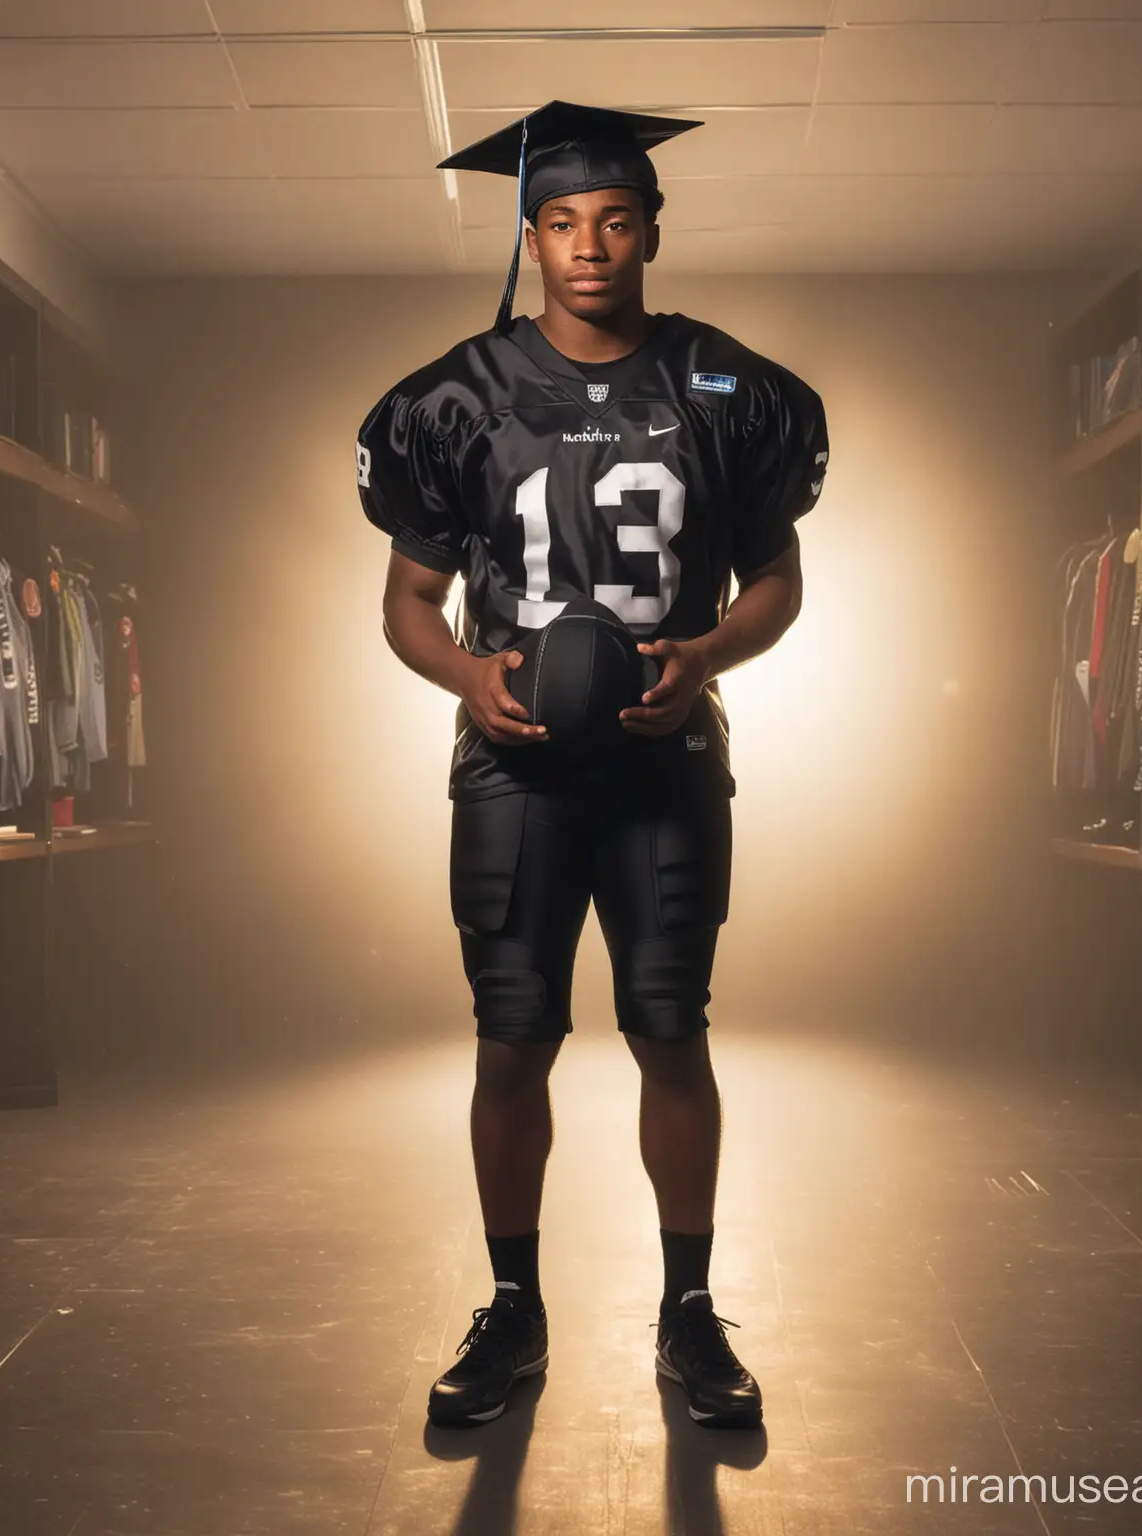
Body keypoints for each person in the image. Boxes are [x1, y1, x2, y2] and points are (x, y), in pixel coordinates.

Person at [356, 101, 829, 1431]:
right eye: (561, 222)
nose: (588, 246)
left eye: (614, 220)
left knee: (672, 1030)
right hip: (514, 775)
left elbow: (780, 580)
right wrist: (470, 677)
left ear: (651, 230)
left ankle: (690, 1311)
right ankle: (514, 1308)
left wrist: (707, 652)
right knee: (513, 1042)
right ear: (532, 231)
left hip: (667, 760)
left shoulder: (724, 385)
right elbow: (406, 601)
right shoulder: (457, 396)